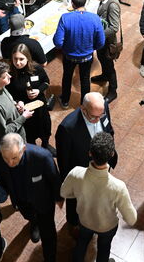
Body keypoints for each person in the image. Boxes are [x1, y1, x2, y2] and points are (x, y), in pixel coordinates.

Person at [61, 132, 136, 262]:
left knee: (81, 242)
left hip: (84, 221)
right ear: (112, 154)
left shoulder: (76, 172)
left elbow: (64, 193)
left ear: (90, 153)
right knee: (104, 249)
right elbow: (131, 219)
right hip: (107, 227)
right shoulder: (119, 187)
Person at [0, 133, 62, 262]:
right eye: (6, 158)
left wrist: (59, 198)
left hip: (43, 202)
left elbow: (54, 179)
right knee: (29, 215)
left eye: (14, 158)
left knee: (48, 233)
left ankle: (50, 258)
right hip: (20, 199)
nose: (10, 163)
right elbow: (1, 176)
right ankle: (34, 223)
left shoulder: (42, 157)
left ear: (23, 149)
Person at [55, 92, 118, 226]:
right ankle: (73, 222)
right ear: (83, 109)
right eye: (93, 117)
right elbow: (63, 160)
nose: (98, 119)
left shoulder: (102, 108)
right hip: (82, 174)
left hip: (102, 166)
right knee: (76, 202)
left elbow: (109, 129)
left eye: (101, 115)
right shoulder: (67, 128)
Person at [53, 0, 105, 108]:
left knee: (67, 77)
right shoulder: (95, 18)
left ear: (72, 3)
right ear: (85, 2)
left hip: (69, 56)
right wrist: (91, 48)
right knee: (85, 79)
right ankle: (84, 104)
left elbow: (57, 42)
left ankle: (65, 101)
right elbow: (101, 42)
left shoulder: (65, 18)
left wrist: (66, 48)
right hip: (87, 56)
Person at [6, 44, 56, 156]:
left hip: (40, 107)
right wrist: (17, 102)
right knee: (29, 133)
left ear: (27, 58)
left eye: (21, 59)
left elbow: (46, 82)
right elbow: (9, 94)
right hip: (25, 110)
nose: (18, 62)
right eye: (15, 59)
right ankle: (34, 150)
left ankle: (46, 145)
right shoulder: (10, 74)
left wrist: (39, 90)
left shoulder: (37, 69)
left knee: (45, 127)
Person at [0, 60, 32, 146]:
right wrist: (23, 117)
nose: (10, 76)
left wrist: (16, 104)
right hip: (12, 144)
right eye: (5, 77)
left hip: (18, 134)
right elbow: (4, 133)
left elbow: (6, 100)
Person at [91, 0, 121, 104]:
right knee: (102, 60)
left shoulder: (112, 5)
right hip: (102, 42)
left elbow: (114, 27)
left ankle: (113, 90)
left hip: (108, 42)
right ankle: (104, 76)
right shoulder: (104, 0)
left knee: (109, 66)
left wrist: (98, 35)